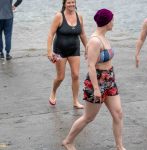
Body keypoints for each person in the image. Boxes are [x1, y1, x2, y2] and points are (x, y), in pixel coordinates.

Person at [62, 8, 126, 150]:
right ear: (107, 22)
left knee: (118, 113)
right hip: (96, 81)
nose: (113, 23)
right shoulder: (96, 41)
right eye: (112, 20)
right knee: (88, 117)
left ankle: (119, 146)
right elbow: (91, 66)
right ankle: (68, 141)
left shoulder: (103, 37)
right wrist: (96, 89)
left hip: (109, 79)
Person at [47, 0, 87, 109]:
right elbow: (51, 34)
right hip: (59, 51)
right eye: (69, 2)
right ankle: (53, 92)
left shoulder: (79, 16)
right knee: (60, 77)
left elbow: (82, 34)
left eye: (73, 2)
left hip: (74, 49)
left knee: (76, 75)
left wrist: (87, 48)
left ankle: (75, 101)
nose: (71, 4)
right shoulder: (59, 16)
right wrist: (49, 51)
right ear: (64, 4)